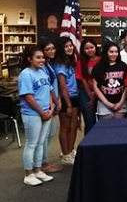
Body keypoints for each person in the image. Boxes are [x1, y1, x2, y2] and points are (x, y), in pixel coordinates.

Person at [19, 47, 55, 186]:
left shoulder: (42, 72)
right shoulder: (26, 74)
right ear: (29, 59)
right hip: (33, 113)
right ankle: (28, 174)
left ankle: (38, 170)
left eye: (42, 57)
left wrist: (51, 107)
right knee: (32, 143)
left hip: (46, 112)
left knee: (41, 143)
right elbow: (29, 97)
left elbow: (49, 90)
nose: (42, 60)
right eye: (38, 57)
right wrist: (42, 112)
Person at [51, 37, 78, 165]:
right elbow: (63, 86)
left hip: (75, 96)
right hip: (66, 98)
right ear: (61, 49)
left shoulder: (69, 61)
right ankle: (65, 154)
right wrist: (68, 105)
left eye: (71, 45)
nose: (70, 48)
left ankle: (71, 150)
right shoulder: (60, 64)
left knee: (73, 126)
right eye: (66, 46)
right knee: (65, 127)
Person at [38, 40, 62, 173]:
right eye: (48, 49)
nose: (52, 51)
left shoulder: (48, 64)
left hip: (53, 102)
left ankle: (42, 161)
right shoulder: (41, 67)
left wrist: (57, 99)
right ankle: (43, 163)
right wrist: (54, 101)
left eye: (53, 48)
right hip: (47, 104)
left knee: (51, 133)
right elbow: (47, 86)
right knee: (45, 135)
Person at [91, 41, 127, 119]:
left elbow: (126, 86)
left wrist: (121, 103)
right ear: (106, 52)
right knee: (105, 129)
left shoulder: (123, 66)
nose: (114, 54)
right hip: (104, 104)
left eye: (116, 52)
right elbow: (95, 87)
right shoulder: (98, 67)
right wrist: (107, 103)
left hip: (120, 103)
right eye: (111, 52)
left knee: (119, 128)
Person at [75, 39, 101, 136]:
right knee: (89, 121)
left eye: (91, 47)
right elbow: (83, 79)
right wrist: (90, 95)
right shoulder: (80, 63)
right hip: (85, 93)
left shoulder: (102, 60)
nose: (90, 50)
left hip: (101, 93)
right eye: (86, 48)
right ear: (83, 50)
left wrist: (95, 94)